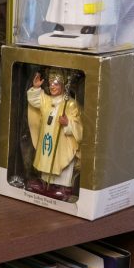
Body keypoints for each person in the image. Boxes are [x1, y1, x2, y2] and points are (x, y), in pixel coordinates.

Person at [26, 69, 82, 200]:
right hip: (47, 140)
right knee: (46, 159)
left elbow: (78, 124)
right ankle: (46, 185)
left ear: (63, 85)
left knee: (62, 164)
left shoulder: (70, 103)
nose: (52, 86)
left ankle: (63, 188)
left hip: (63, 143)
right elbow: (34, 100)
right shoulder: (46, 100)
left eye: (56, 84)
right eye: (50, 83)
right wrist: (36, 88)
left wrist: (68, 123)